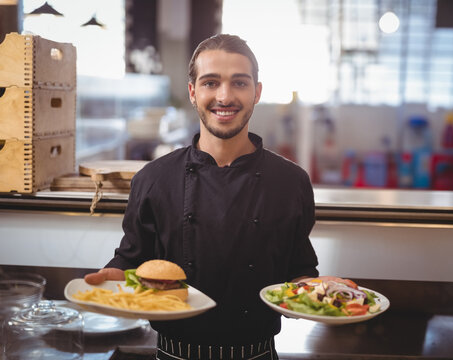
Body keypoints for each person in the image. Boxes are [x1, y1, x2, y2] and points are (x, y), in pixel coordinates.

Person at [85, 34, 319, 360]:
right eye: (211, 83)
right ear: (193, 92)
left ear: (257, 92)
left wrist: (323, 292)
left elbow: (299, 271)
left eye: (239, 83)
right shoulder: (153, 178)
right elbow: (132, 261)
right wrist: (114, 277)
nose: (225, 96)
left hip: (258, 354)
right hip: (172, 354)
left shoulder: (291, 182)